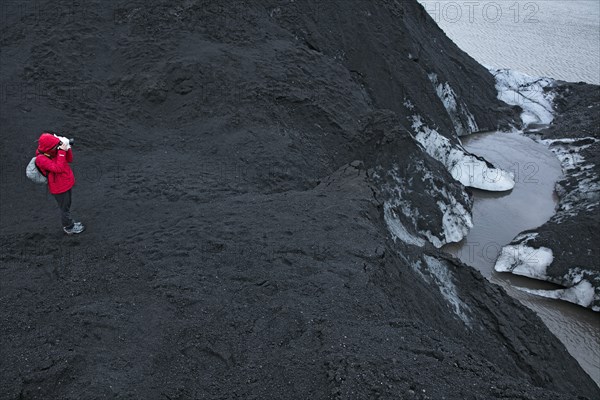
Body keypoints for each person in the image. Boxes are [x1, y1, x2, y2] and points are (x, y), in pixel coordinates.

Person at [35, 132, 85, 235]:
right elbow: (59, 168)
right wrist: (62, 151)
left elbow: (69, 159)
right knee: (65, 209)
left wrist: (68, 147)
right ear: (49, 147)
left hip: (65, 183)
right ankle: (69, 227)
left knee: (67, 205)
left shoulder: (52, 151)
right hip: (59, 187)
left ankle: (69, 224)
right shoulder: (41, 158)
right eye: (56, 145)